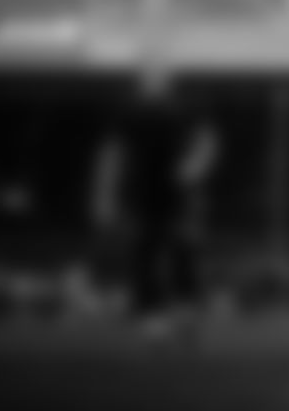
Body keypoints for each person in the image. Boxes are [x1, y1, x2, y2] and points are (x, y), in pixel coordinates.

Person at [92, 60, 218, 337]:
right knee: (145, 251)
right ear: (141, 78)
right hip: (143, 190)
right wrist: (104, 194)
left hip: (180, 190)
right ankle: (150, 312)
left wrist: (194, 167)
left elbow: (207, 141)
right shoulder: (127, 111)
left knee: (185, 247)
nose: (155, 78)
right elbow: (111, 153)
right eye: (149, 73)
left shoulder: (187, 107)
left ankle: (185, 309)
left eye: (160, 72)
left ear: (169, 77)